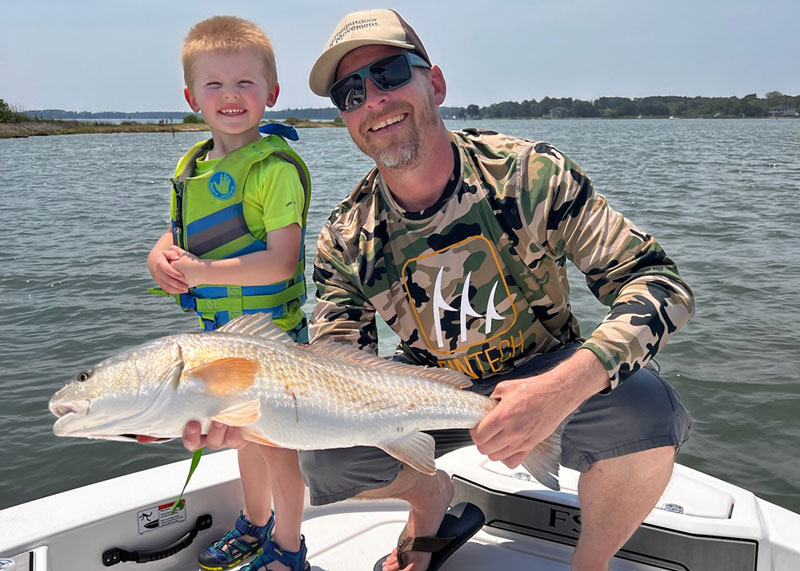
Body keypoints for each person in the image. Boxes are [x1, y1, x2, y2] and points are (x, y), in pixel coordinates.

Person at [299, 8, 694, 571]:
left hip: (545, 372)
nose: (373, 101)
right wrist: (234, 411)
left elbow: (659, 284)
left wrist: (560, 389)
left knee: (649, 412)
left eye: (389, 74)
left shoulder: (529, 173)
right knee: (325, 458)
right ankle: (429, 497)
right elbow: (334, 370)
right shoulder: (346, 236)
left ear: (433, 82)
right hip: (428, 396)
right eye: (349, 93)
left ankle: (592, 562)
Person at [145, 15, 311, 571]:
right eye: (215, 84)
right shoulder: (192, 163)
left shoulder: (275, 170)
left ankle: (289, 551)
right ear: (193, 97)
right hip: (219, 337)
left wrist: (199, 275)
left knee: (277, 448)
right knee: (242, 439)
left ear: (272, 93)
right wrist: (160, 253)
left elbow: (281, 260)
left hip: (273, 340)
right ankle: (254, 523)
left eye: (245, 83)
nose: (231, 95)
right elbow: (186, 234)